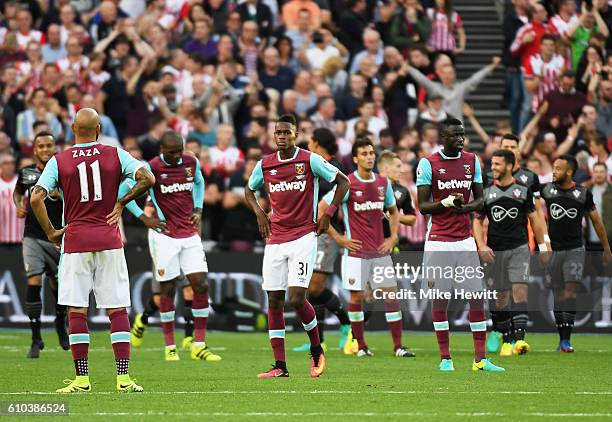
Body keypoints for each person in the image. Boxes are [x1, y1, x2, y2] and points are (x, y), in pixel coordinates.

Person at [30, 108, 155, 393]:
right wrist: (122, 202)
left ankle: (82, 379)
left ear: (73, 129)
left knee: (77, 309)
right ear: (98, 128)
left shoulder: (58, 161)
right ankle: (123, 379)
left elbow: (36, 197)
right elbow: (148, 178)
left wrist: (50, 231)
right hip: (109, 239)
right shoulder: (115, 154)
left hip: (75, 242)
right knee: (117, 307)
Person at [245, 114, 350, 378]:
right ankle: (280, 366)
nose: (282, 136)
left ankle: (316, 350)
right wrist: (259, 213)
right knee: (274, 299)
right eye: (278, 132)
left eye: (287, 132)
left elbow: (343, 182)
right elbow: (249, 190)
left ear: (296, 134)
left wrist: (328, 214)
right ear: (274, 135)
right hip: (276, 239)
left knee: (296, 297)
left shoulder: (310, 159)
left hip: (304, 235)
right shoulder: (265, 165)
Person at [123, 130, 221, 362]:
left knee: (201, 284)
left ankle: (198, 344)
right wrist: (143, 217)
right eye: (171, 152)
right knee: (167, 289)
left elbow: (199, 181)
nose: (177, 156)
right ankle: (170, 347)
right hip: (163, 235)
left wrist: (198, 208)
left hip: (188, 233)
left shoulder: (191, 162)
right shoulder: (151, 167)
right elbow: (122, 191)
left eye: (179, 151)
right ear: (162, 151)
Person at [416, 117, 504, 372]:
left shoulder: (472, 161)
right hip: (439, 242)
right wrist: (445, 204)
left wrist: (463, 207)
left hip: (465, 241)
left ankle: (480, 359)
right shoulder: (428, 163)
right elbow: (423, 207)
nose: (460, 139)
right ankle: (445, 358)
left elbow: (480, 200)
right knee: (440, 300)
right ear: (443, 137)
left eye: (462, 135)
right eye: (454, 135)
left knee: (477, 298)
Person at [322, 138, 416, 358]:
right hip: (355, 253)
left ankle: (398, 346)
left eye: (371, 153)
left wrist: (392, 237)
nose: (369, 157)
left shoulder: (383, 183)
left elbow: (393, 211)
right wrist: (339, 239)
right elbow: (321, 211)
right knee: (356, 298)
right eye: (364, 153)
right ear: (355, 159)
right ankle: (361, 346)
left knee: (391, 296)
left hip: (380, 252)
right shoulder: (347, 184)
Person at [473, 149, 549, 358]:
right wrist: (481, 245)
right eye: (493, 164)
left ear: (509, 166)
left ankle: (519, 341)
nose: (493, 168)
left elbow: (536, 221)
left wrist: (543, 247)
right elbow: (477, 221)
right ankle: (506, 339)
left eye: (497, 164)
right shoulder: (487, 193)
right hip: (495, 250)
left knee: (520, 291)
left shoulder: (522, 191)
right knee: (500, 297)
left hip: (519, 248)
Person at [540, 155, 612, 352]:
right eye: (553, 167)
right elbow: (535, 211)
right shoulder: (546, 190)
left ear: (569, 172)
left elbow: (596, 221)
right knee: (558, 293)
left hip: (575, 249)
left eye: (558, 168)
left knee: (570, 291)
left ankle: (566, 340)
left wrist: (606, 247)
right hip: (554, 250)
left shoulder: (582, 193)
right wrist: (543, 245)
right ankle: (561, 337)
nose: (554, 171)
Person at [292, 128, 352, 353]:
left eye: (311, 143)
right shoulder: (315, 164)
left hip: (328, 232)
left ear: (318, 144)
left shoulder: (335, 167)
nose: (308, 147)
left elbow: (337, 197)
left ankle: (346, 324)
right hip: (312, 232)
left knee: (315, 287)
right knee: (311, 287)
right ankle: (319, 339)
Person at [13, 131, 68, 358]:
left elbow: (74, 198)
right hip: (33, 236)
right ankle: (36, 339)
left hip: (57, 237)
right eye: (40, 146)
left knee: (59, 286)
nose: (45, 149)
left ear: (55, 148)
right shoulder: (27, 173)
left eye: (49, 146)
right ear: (34, 150)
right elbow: (17, 194)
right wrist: (19, 205)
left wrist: (61, 195)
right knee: (33, 280)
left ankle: (59, 322)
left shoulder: (64, 171)